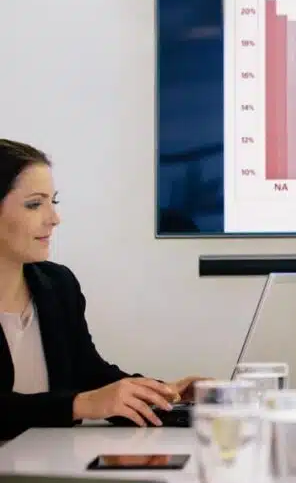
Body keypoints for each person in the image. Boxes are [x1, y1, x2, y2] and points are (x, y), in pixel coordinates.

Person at [0, 139, 206, 441]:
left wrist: (165, 394)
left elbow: (90, 376)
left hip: (48, 463)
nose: (54, 219)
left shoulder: (57, 283)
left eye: (53, 202)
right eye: (34, 204)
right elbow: (82, 400)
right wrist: (79, 404)